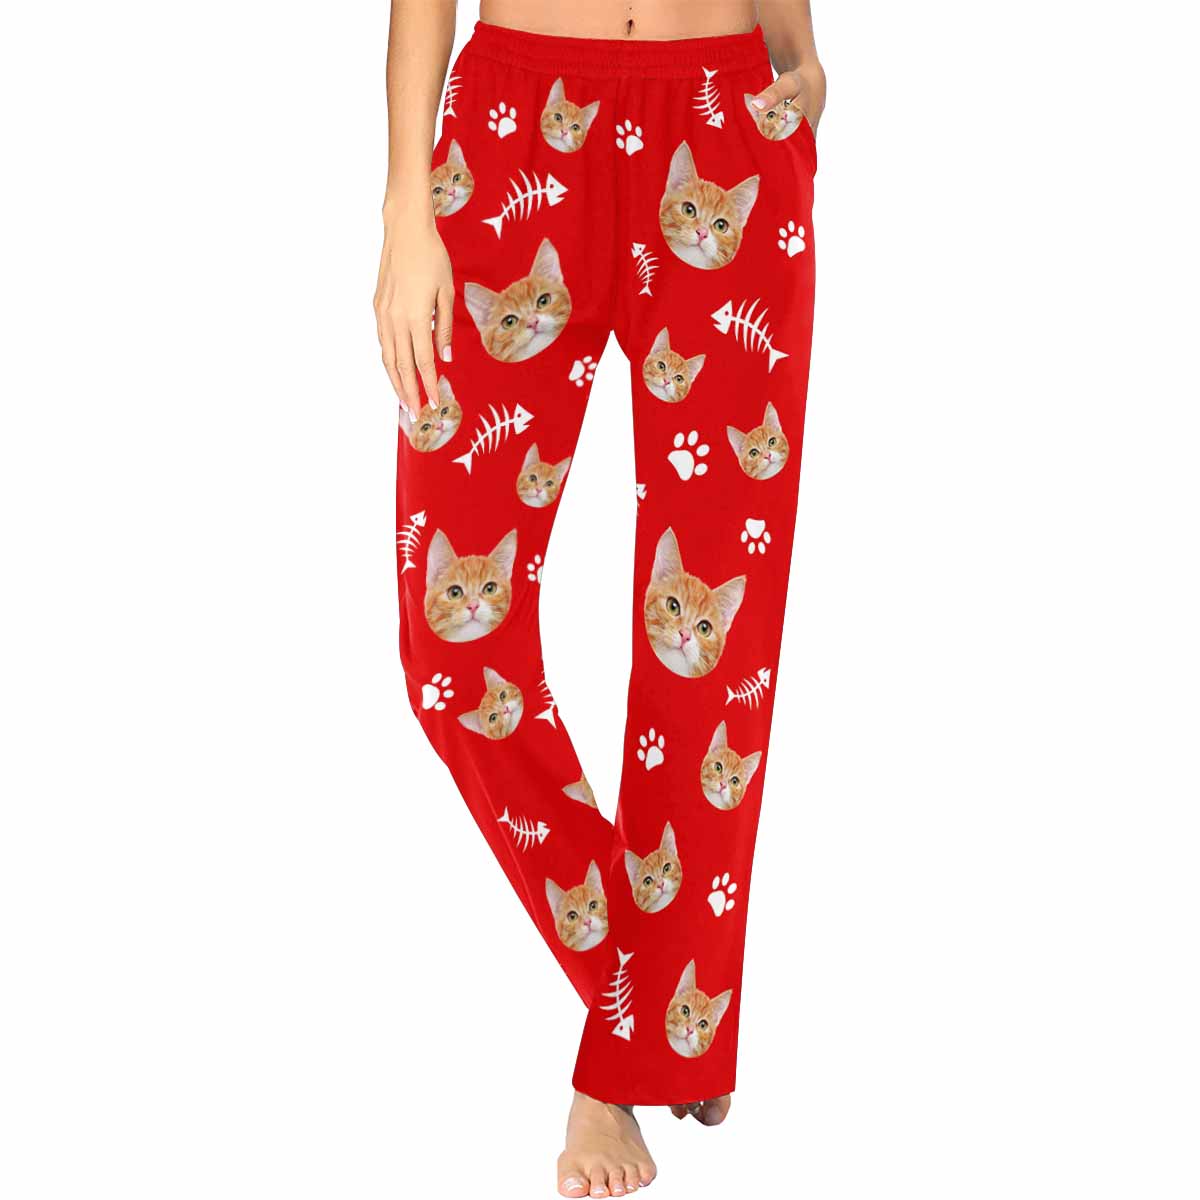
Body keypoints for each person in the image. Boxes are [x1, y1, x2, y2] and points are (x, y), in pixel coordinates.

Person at [375, 2, 824, 1195]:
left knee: (709, 649)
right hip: (514, 134)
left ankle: (624, 1065)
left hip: (726, 120)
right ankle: (668, 1010)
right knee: (453, 656)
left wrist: (802, 57)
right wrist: (406, 206)